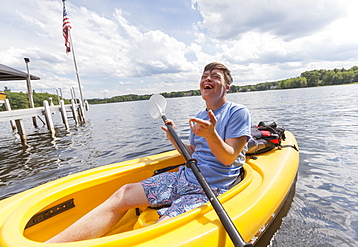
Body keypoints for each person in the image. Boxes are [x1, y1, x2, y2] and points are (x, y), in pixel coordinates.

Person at [46, 62, 251, 243]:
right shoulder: (198, 117)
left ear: (227, 87)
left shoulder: (238, 112)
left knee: (159, 231)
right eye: (204, 76)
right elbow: (194, 153)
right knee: (123, 193)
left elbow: (228, 157)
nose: (208, 79)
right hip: (186, 176)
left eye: (215, 77)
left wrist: (211, 135)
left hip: (211, 187)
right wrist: (174, 140)